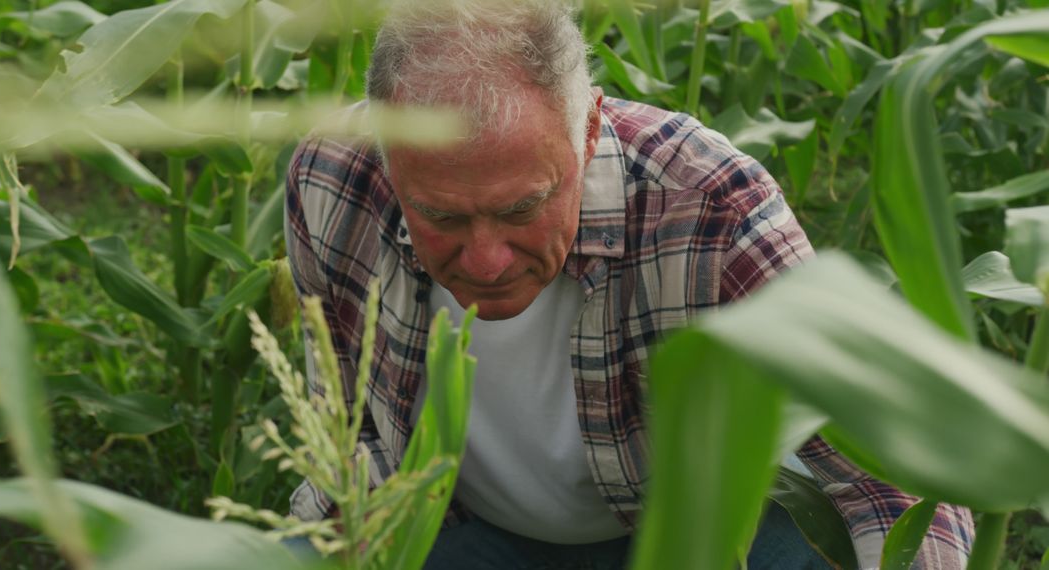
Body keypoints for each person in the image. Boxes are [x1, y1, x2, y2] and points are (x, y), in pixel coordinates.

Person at [284, 1, 973, 567]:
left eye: (522, 208)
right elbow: (348, 438)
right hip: (468, 534)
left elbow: (894, 487)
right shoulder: (332, 180)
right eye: (440, 216)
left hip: (702, 536)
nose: (486, 261)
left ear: (587, 131)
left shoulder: (712, 209)